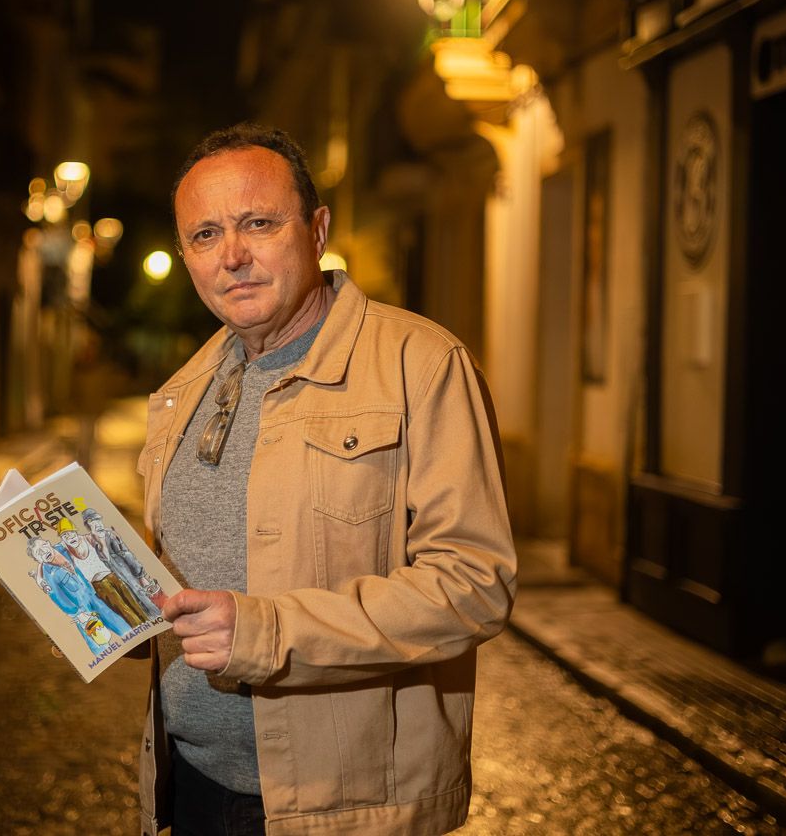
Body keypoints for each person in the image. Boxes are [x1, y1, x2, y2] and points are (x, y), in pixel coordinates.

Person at [137, 123, 517, 835]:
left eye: (259, 223)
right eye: (206, 235)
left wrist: (268, 629)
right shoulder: (184, 387)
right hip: (187, 783)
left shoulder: (421, 365)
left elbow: (475, 584)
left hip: (340, 806)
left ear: (316, 229)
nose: (234, 257)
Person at [26, 535, 130, 656]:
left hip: (90, 595)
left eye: (44, 545)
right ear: (38, 559)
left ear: (49, 543)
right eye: (39, 553)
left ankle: (129, 634)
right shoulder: (48, 576)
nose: (44, 551)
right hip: (80, 609)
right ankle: (103, 656)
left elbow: (75, 541)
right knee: (96, 638)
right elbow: (58, 598)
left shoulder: (61, 549)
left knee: (113, 618)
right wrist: (77, 613)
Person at [81, 506, 162, 618]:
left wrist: (141, 575)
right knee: (138, 604)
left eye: (98, 520)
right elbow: (106, 560)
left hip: (132, 576)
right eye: (94, 521)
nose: (98, 523)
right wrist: (100, 541)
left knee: (149, 601)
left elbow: (127, 555)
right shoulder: (95, 544)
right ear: (89, 525)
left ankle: (160, 616)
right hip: (122, 581)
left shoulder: (111, 535)